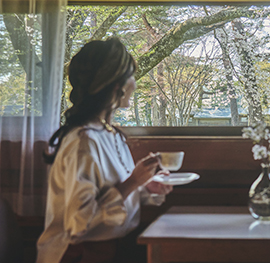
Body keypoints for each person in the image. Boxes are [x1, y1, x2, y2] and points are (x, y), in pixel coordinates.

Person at [37, 38, 173, 263]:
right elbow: (79, 223)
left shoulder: (110, 134)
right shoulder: (83, 143)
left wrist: (146, 185)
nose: (135, 83)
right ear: (116, 87)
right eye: (131, 77)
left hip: (116, 249)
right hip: (80, 256)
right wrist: (132, 182)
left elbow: (113, 196)